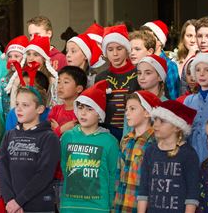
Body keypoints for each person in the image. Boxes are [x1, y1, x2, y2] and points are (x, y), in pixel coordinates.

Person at [60, 80, 119, 212]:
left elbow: (113, 175)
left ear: (99, 113)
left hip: (99, 207)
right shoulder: (67, 137)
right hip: (70, 206)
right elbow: (64, 167)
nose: (83, 113)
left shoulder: (110, 142)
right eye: (80, 108)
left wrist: (111, 205)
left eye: (89, 109)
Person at [0, 85, 60, 213]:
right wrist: (9, 199)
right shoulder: (9, 135)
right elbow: (2, 170)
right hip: (12, 206)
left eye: (25, 105)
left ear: (40, 109)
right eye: (17, 104)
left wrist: (19, 201)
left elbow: (45, 174)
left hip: (39, 206)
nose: (19, 109)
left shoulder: (49, 137)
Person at [137, 100, 200, 213]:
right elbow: (143, 190)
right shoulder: (150, 151)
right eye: (155, 119)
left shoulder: (188, 154)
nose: (156, 124)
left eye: (162, 121)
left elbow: (192, 195)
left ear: (177, 127)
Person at [113, 91, 163, 212]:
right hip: (121, 205)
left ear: (147, 112)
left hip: (141, 207)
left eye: (132, 109)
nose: (127, 113)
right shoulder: (126, 140)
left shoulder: (156, 142)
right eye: (126, 109)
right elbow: (118, 175)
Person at [96, 24, 141, 140]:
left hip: (133, 131)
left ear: (127, 50)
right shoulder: (101, 77)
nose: (115, 54)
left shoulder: (139, 74)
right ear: (105, 52)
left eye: (119, 49)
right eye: (110, 50)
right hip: (107, 132)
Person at [142, 20, 181, 100]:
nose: (145, 41)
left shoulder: (169, 65)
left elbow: (173, 98)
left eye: (149, 37)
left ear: (160, 42)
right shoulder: (141, 63)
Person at [49, 66, 87, 137]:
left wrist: (57, 129)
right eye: (59, 82)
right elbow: (47, 136)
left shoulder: (83, 112)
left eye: (66, 82)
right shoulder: (55, 110)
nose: (60, 86)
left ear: (79, 89)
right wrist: (61, 129)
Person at [171, 20, 198, 94]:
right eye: (189, 36)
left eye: (196, 36)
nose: (193, 40)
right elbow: (177, 81)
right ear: (183, 38)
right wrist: (189, 55)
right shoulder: (174, 60)